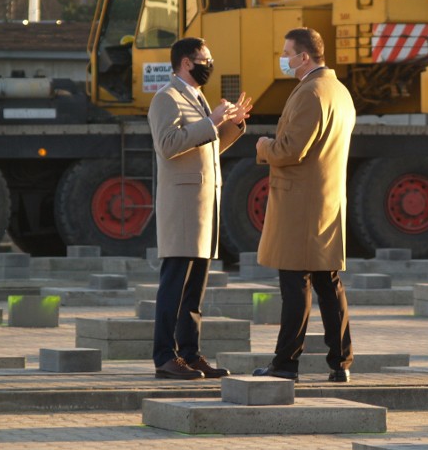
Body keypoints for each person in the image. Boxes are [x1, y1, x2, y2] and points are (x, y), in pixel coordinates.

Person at [252, 27, 356, 383]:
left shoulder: (311, 92)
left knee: (295, 284)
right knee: (328, 283)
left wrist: (264, 146)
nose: (284, 59)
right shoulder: (338, 91)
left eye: (287, 52)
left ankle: (286, 363)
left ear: (305, 57)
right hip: (325, 200)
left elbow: (290, 150)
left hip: (301, 204)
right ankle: (339, 361)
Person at [148, 37, 252, 379]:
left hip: (204, 208)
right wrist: (211, 122)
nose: (209, 64)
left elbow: (207, 150)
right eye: (204, 59)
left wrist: (231, 124)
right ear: (185, 63)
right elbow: (168, 146)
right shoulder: (167, 98)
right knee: (174, 286)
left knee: (194, 292)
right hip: (182, 208)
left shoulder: (198, 98)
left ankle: (190, 354)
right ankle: (166, 356)